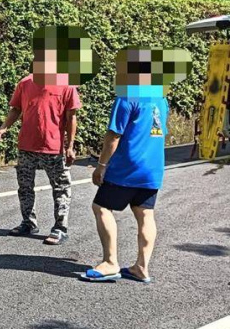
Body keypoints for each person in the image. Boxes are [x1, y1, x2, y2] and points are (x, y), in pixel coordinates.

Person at [80, 46, 191, 283]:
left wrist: (101, 166)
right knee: (145, 214)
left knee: (101, 207)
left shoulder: (126, 97)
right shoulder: (160, 98)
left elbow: (114, 136)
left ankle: (110, 262)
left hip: (127, 167)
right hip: (153, 168)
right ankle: (142, 267)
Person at [0, 27, 93, 246]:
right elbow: (16, 109)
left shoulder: (66, 85)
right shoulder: (25, 83)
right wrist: (4, 128)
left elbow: (71, 118)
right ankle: (28, 222)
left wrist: (70, 146)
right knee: (25, 185)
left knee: (61, 188)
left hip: (54, 147)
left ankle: (60, 227)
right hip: (27, 145)